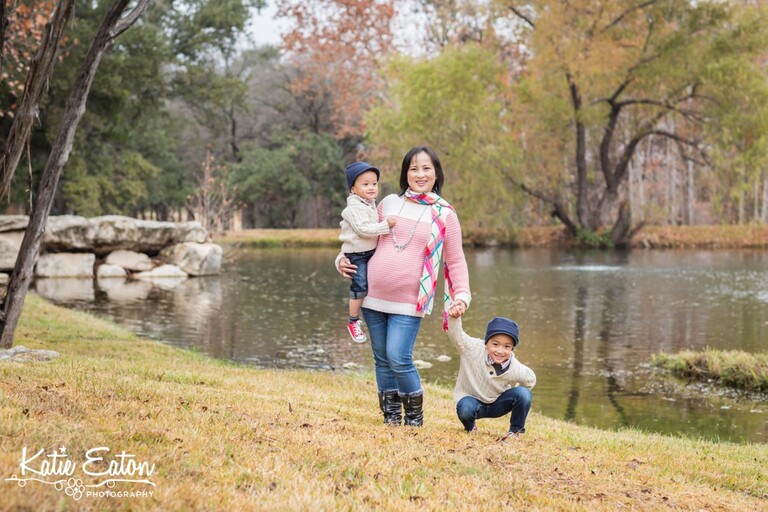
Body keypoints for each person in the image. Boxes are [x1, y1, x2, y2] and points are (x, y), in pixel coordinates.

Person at [336, 146, 471, 427]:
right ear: (405, 173)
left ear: (436, 173)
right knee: (382, 359)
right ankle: (391, 417)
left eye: (426, 169)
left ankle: (414, 419)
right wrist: (340, 258)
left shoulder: (444, 214)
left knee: (399, 356)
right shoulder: (387, 203)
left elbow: (456, 260)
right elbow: (359, 237)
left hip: (411, 300)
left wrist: (462, 296)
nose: (420, 174)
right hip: (372, 296)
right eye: (413, 168)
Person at [445, 313, 536, 439]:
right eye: (495, 344)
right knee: (465, 408)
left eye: (507, 346)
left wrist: (516, 399)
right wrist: (454, 316)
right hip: (472, 402)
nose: (500, 351)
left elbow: (530, 380)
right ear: (486, 343)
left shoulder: (514, 367)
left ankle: (514, 432)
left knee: (524, 394)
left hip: (498, 404)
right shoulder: (472, 349)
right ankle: (471, 427)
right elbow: (455, 334)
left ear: (512, 349)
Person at [339, 161, 396, 343]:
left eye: (374, 183)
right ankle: (353, 320)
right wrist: (385, 225)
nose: (371, 187)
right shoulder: (352, 209)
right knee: (360, 286)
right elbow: (363, 230)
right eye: (365, 184)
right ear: (353, 190)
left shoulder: (370, 204)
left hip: (370, 252)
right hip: (357, 256)